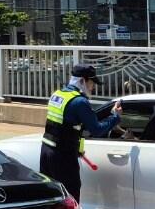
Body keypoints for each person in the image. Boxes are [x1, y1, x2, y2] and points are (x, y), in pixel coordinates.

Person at [40, 64, 122, 199]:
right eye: (92, 83)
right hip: (63, 157)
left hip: (46, 152)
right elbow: (96, 130)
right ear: (82, 81)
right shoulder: (80, 102)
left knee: (51, 196)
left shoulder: (57, 95)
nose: (93, 87)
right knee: (70, 197)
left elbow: (64, 126)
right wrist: (115, 117)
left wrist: (76, 147)